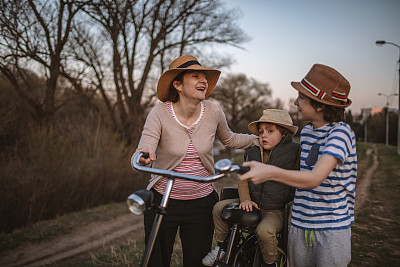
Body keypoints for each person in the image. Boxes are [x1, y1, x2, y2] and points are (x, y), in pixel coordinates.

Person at [132, 55, 257, 267]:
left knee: (196, 261)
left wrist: (259, 140)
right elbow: (144, 147)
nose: (204, 81)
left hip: (201, 201)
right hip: (163, 199)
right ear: (178, 84)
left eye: (205, 77)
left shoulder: (214, 111)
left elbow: (230, 138)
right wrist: (145, 156)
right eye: (195, 76)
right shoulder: (159, 112)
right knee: (156, 260)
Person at [240, 64, 357, 267]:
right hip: (299, 224)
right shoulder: (308, 133)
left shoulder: (341, 133)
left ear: (319, 105)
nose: (295, 102)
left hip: (330, 229)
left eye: (301, 98)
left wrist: (270, 172)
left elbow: (314, 178)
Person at [202, 109, 301, 267]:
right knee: (218, 208)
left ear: (285, 134)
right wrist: (246, 199)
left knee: (264, 230)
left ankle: (270, 263)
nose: (263, 135)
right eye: (261, 131)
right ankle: (222, 247)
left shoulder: (295, 152)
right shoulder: (252, 151)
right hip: (252, 200)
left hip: (274, 210)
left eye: (270, 131)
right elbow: (242, 179)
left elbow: (300, 179)